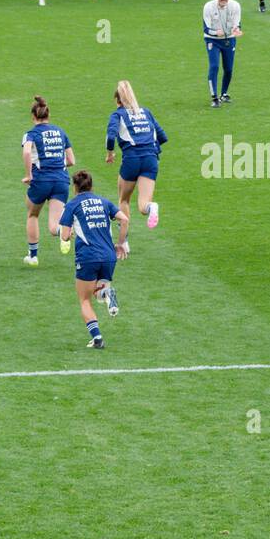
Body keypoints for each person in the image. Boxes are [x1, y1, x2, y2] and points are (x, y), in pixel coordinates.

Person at [59, 170, 131, 349]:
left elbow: (65, 236)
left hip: (88, 257)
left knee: (84, 299)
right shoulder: (103, 202)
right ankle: (107, 293)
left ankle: (97, 338)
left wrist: (68, 232)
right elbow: (124, 219)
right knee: (97, 291)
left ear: (75, 187)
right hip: (109, 256)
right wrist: (120, 243)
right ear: (91, 185)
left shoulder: (72, 205)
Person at [105, 80, 167, 231]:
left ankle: (124, 240)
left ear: (117, 100)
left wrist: (110, 153)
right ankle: (151, 207)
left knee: (124, 200)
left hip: (131, 159)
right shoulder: (146, 112)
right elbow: (163, 137)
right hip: (150, 159)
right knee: (143, 205)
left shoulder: (117, 115)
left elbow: (111, 136)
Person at [22, 95, 74, 266]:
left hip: (41, 180)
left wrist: (29, 174)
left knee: (32, 214)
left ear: (33, 116)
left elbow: (27, 152)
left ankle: (33, 255)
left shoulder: (31, 134)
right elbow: (71, 160)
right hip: (61, 181)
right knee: (54, 226)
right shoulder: (60, 132)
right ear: (48, 115)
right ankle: (63, 231)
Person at [202, 0, 243, 107]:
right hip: (213, 40)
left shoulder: (235, 6)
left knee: (229, 69)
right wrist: (216, 33)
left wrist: (237, 30)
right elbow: (206, 28)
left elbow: (237, 24)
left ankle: (224, 94)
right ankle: (214, 97)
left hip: (229, 40)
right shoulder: (208, 7)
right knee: (214, 66)